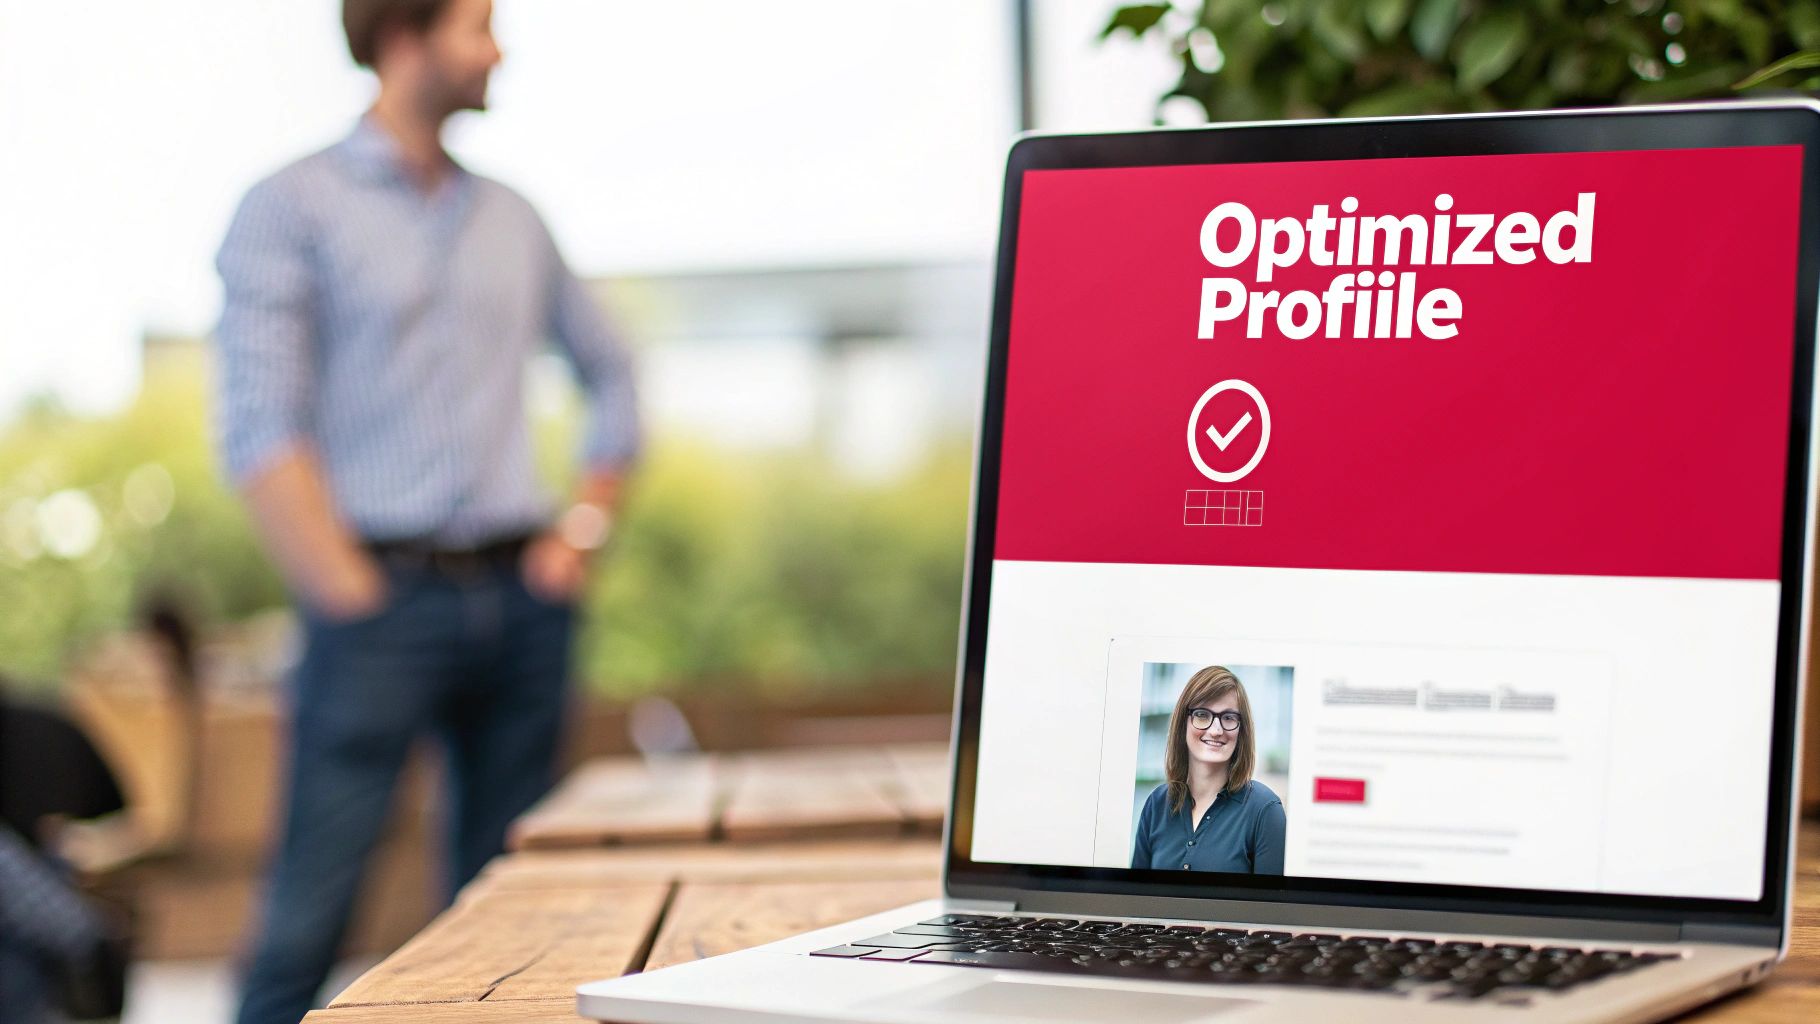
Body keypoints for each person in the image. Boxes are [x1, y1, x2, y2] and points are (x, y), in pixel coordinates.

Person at [213, 2, 639, 1022]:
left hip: (520, 599)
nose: (498, 50)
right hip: (377, 605)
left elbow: (612, 375)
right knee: (306, 920)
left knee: (509, 927)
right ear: (405, 35)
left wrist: (578, 535)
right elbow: (261, 424)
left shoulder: (512, 216)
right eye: (477, 27)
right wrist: (348, 589)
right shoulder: (291, 208)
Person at [1131, 665, 1286, 874]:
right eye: (1202, 715)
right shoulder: (1156, 805)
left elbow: (1271, 906)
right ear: (1183, 723)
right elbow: (1137, 901)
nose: (1216, 730)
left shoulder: (1265, 811)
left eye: (1229, 718)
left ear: (1242, 730)